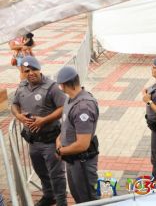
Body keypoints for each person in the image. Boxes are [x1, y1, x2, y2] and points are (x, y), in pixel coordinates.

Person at [11, 56, 67, 206]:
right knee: (41, 171)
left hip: (50, 140)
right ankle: (49, 196)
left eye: (34, 69)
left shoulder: (51, 87)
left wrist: (44, 120)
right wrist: (19, 116)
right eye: (27, 70)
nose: (31, 73)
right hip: (33, 141)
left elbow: (63, 107)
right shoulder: (22, 86)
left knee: (56, 174)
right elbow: (14, 104)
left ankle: (62, 201)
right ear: (23, 72)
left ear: (39, 69)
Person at [55, 66, 99, 203]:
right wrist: (59, 140)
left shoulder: (83, 107)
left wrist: (61, 151)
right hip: (72, 159)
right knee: (77, 195)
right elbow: (67, 125)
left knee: (87, 199)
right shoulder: (70, 100)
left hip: (82, 162)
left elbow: (82, 144)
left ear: (62, 85)